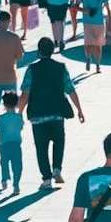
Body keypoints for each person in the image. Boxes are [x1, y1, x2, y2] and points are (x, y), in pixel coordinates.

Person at [23, 36, 85, 187]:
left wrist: (18, 112)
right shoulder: (61, 68)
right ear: (53, 50)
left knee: (41, 148)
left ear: (39, 52)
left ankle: (46, 178)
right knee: (59, 142)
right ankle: (57, 168)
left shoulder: (32, 70)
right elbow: (70, 90)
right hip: (57, 113)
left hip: (38, 115)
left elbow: (25, 93)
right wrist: (79, 110)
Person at [0, 91, 26, 193]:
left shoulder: (1, 118)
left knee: (4, 163)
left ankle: (4, 179)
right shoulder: (19, 117)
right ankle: (16, 184)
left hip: (4, 144)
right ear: (16, 103)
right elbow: (21, 127)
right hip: (16, 144)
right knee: (17, 165)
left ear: (4, 104)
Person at [77, 0, 110, 73]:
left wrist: (109, 22)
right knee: (88, 44)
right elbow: (75, 6)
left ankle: (97, 65)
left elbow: (108, 8)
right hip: (88, 22)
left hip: (99, 22)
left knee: (98, 45)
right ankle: (88, 57)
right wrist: (86, 10)